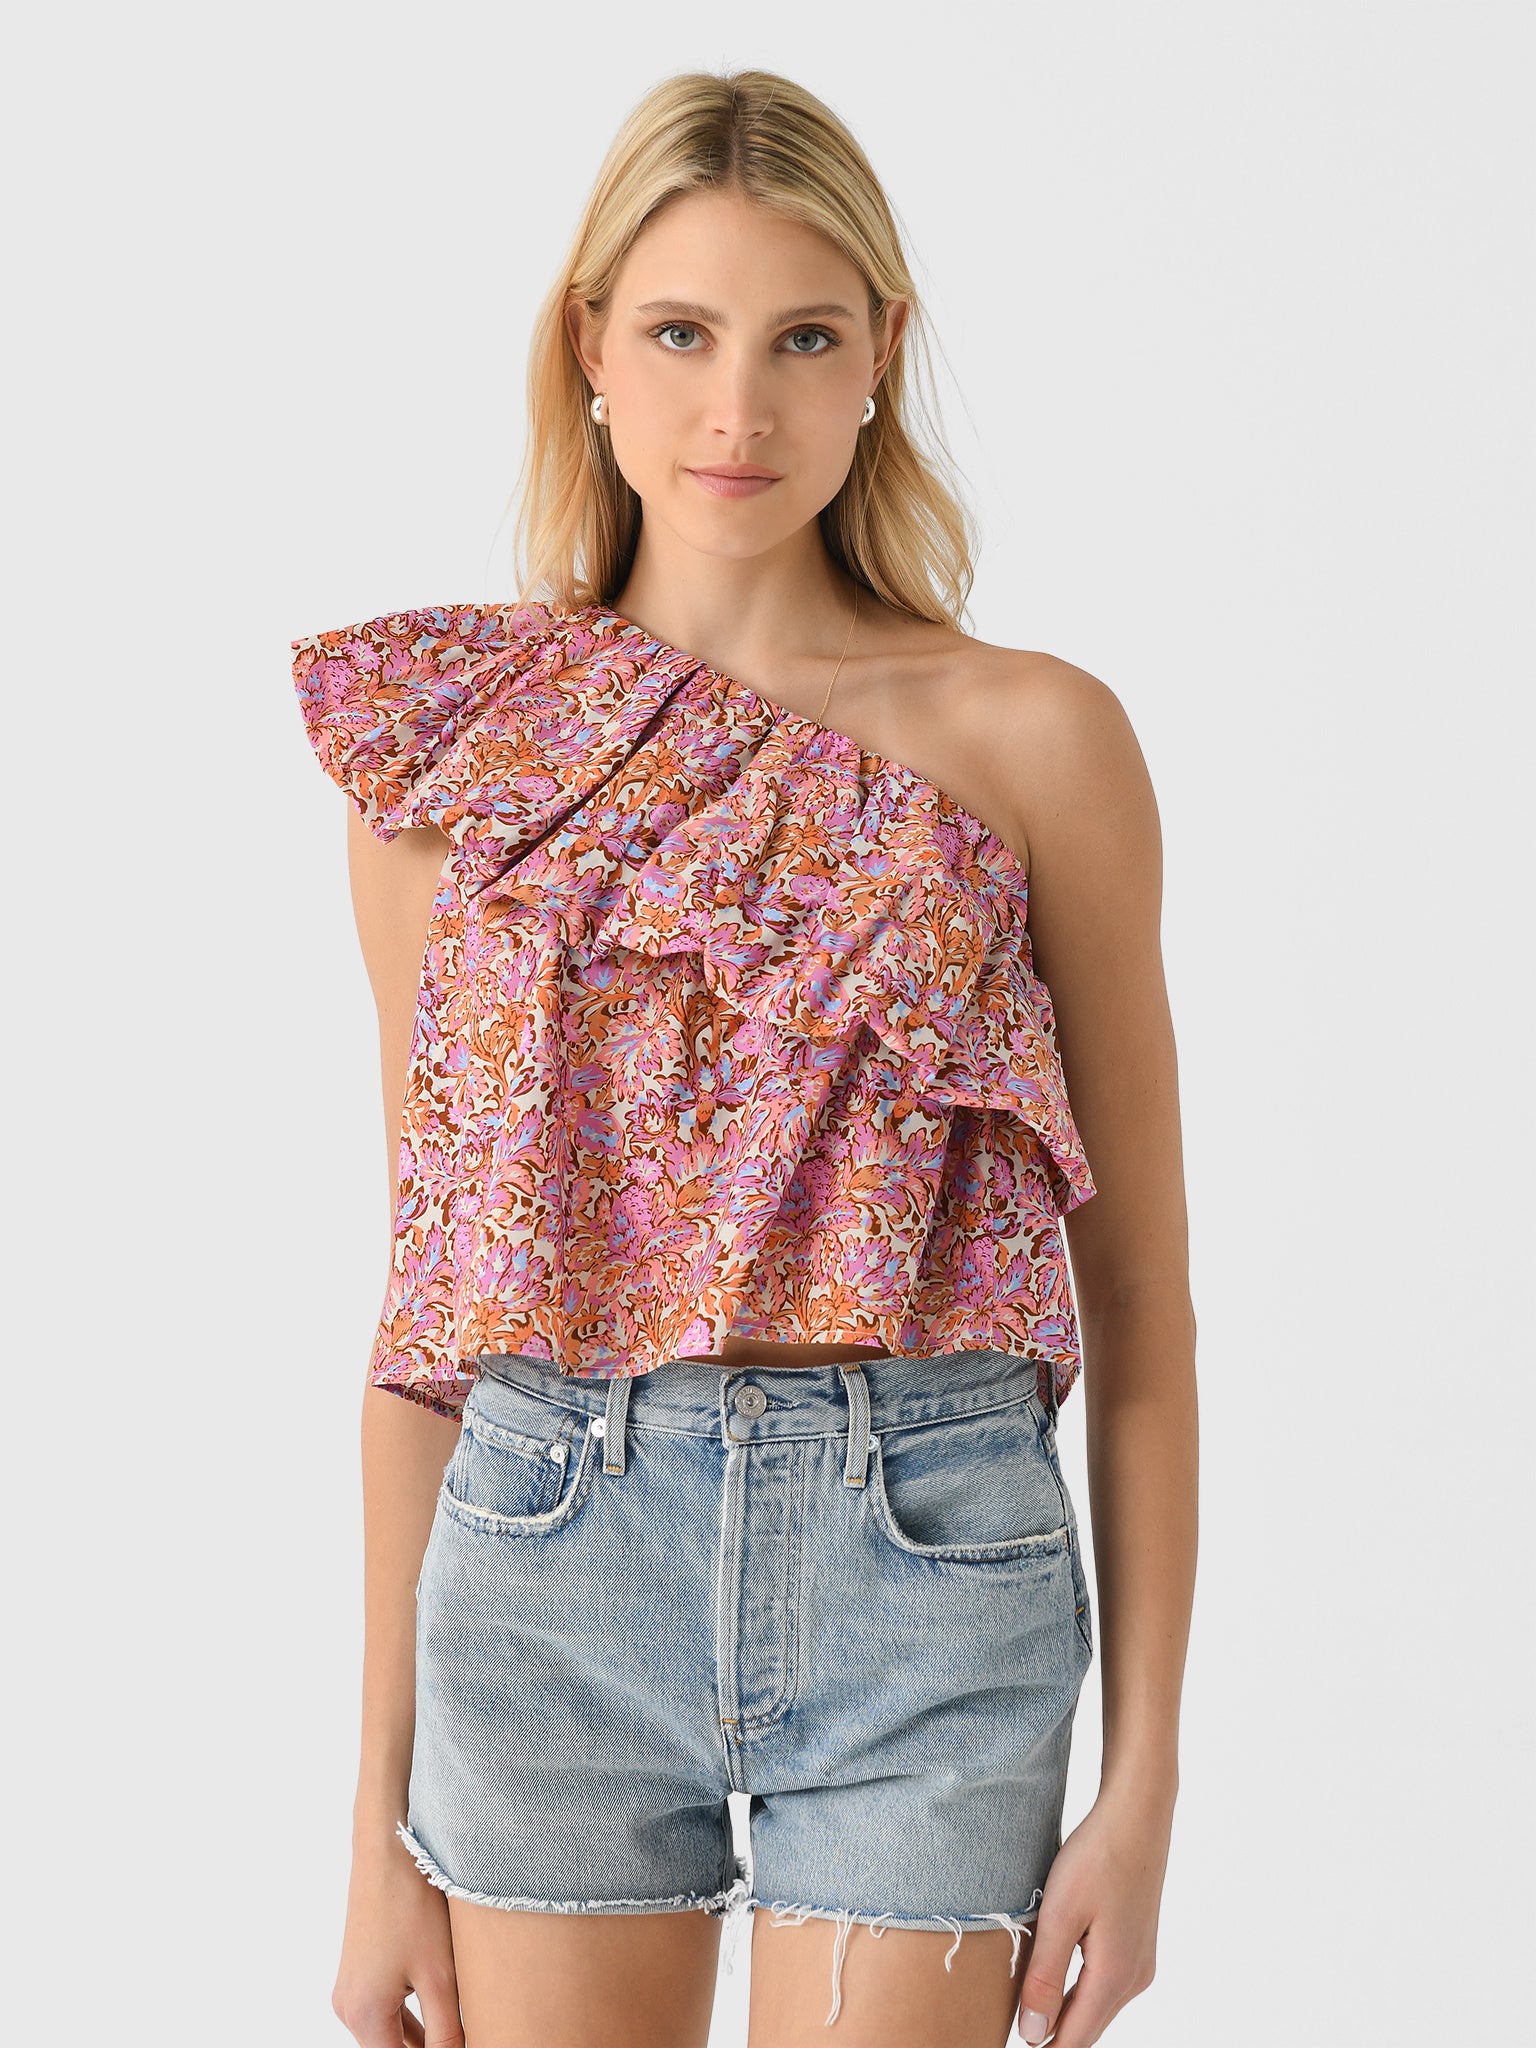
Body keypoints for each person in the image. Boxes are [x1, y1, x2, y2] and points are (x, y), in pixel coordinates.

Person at [293, 67, 1196, 2048]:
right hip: (545, 1555)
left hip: (930, 1558)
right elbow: (431, 1305)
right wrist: (372, 1826)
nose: (738, 412)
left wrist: (1141, 1792)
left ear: (883, 356)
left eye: (803, 338)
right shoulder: (461, 765)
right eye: (683, 333)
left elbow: (1139, 1296)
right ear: (589, 350)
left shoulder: (1033, 740)